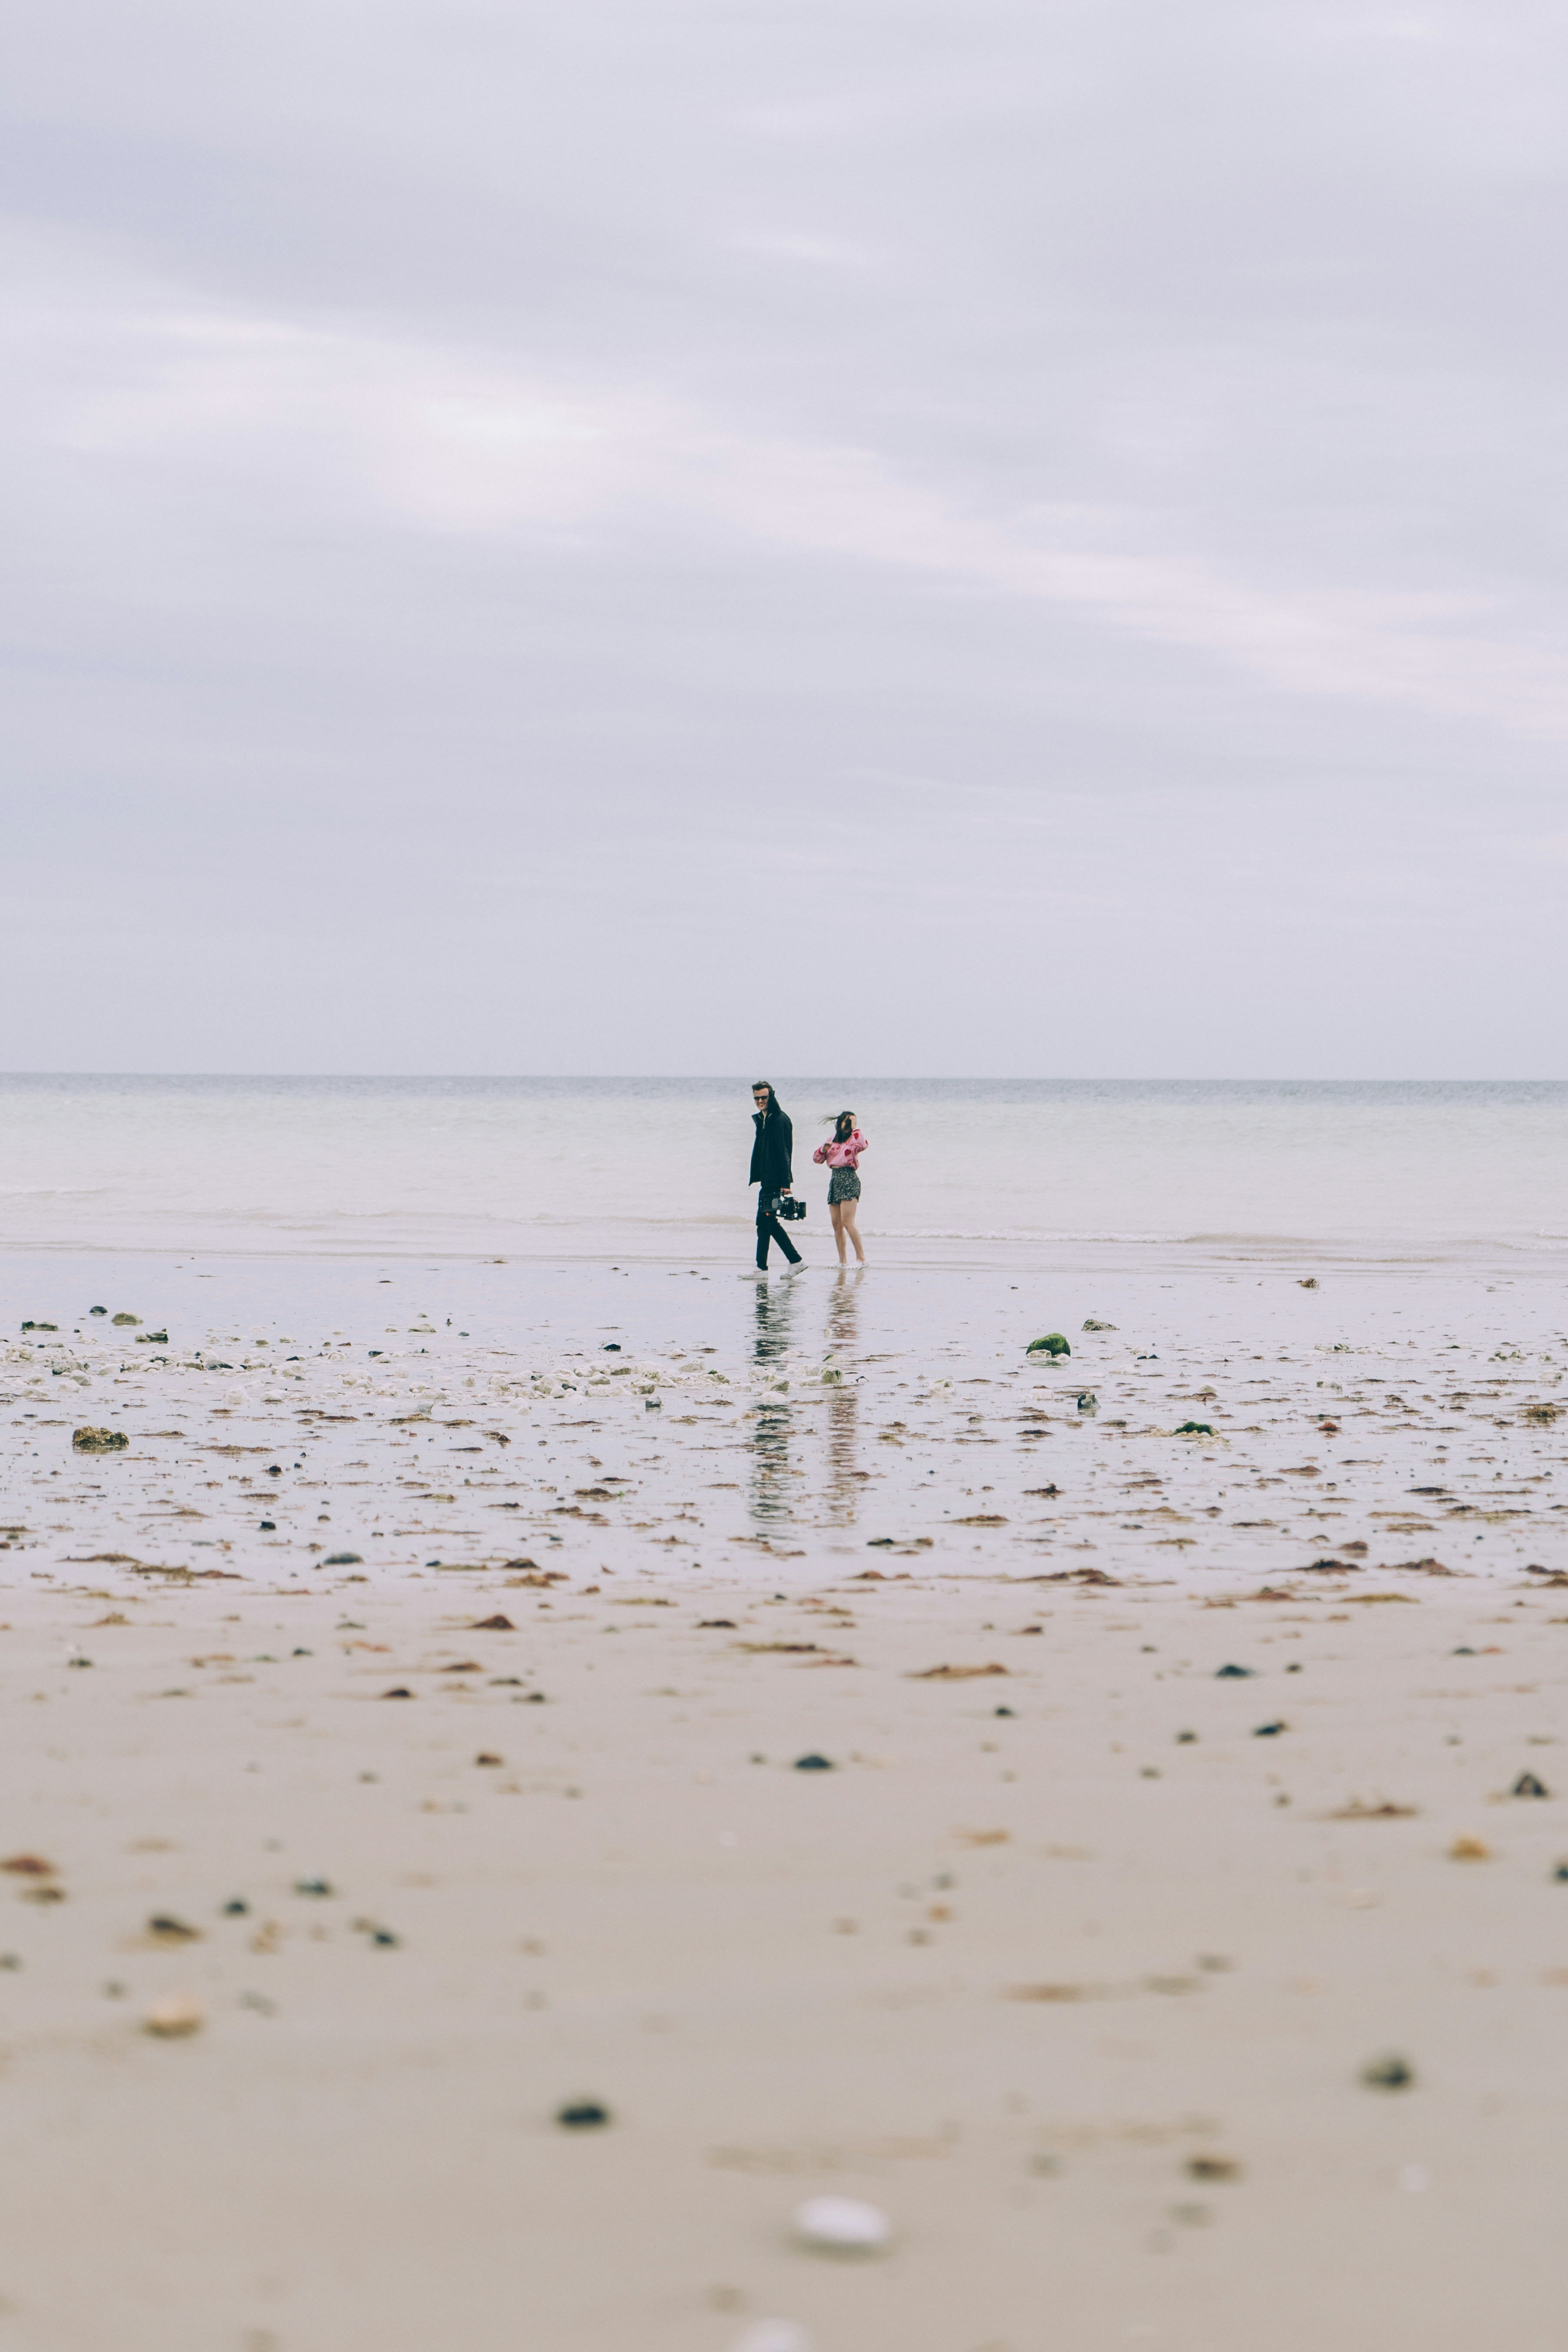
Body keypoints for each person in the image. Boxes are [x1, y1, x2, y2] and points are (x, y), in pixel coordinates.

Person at [749, 1079, 802, 1271]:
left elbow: (784, 1152)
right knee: (765, 1224)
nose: (760, 1101)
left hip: (775, 1182)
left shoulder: (779, 1120)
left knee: (766, 1222)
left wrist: (785, 1182)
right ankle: (763, 1268)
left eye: (764, 1097)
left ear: (771, 1096)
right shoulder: (764, 1120)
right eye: (757, 1098)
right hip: (768, 1180)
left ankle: (795, 1261)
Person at [814, 1110, 868, 1266]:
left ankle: (861, 1258)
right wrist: (824, 1150)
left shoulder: (854, 1139)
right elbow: (817, 1159)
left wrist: (855, 1127)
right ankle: (842, 1261)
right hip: (835, 1179)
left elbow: (863, 1145)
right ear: (839, 1123)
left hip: (849, 1178)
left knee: (848, 1222)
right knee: (837, 1224)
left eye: (852, 1122)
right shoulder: (832, 1140)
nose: (849, 1125)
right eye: (847, 1121)